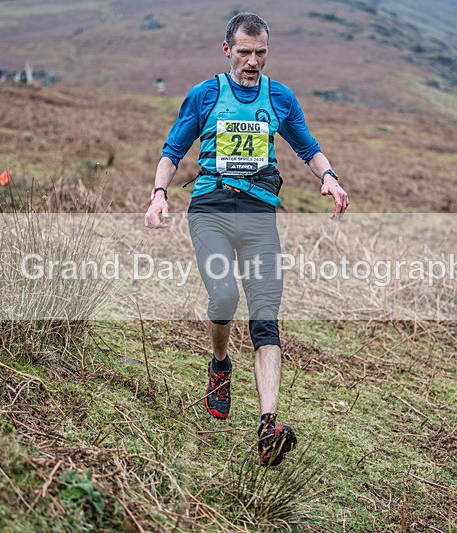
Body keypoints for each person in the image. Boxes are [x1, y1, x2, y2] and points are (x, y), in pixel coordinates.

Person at [144, 12, 349, 467]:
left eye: (260, 53)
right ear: (227, 51)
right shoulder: (205, 94)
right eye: (244, 52)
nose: (253, 62)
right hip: (211, 211)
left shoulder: (280, 97)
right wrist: (159, 194)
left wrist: (330, 178)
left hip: (259, 217)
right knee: (223, 297)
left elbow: (307, 146)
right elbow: (172, 151)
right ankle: (220, 366)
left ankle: (268, 425)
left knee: (265, 319)